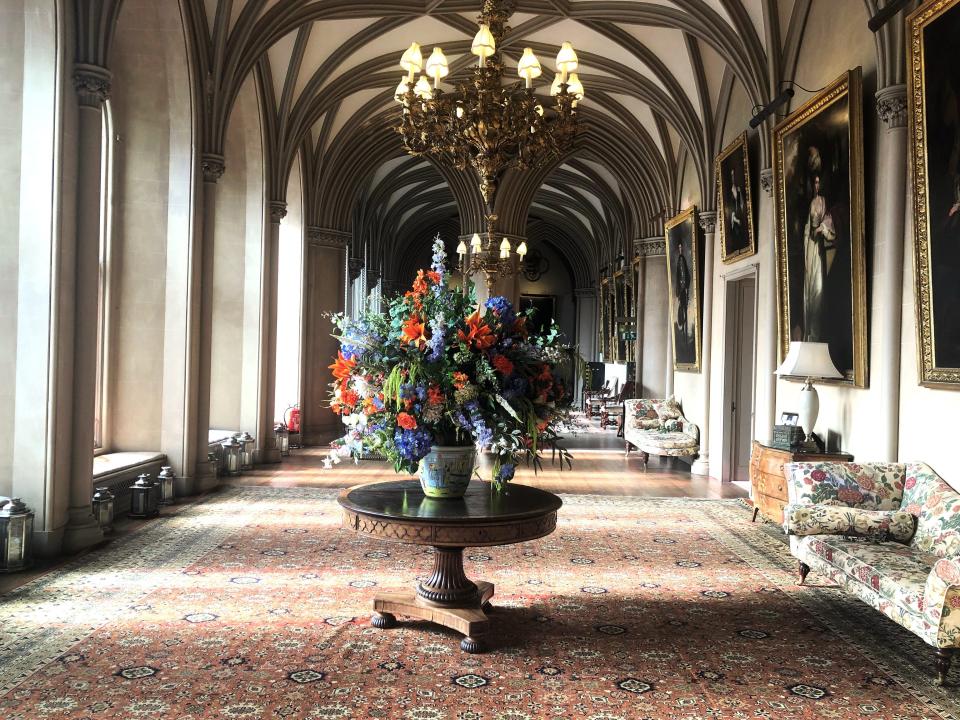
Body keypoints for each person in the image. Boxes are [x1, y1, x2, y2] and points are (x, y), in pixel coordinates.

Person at [802, 158, 837, 342]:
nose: (816, 185)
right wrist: (809, 236)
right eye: (814, 182)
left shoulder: (822, 201)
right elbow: (807, 225)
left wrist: (821, 228)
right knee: (809, 286)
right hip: (810, 246)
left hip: (818, 249)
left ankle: (816, 330)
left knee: (818, 285)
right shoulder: (811, 203)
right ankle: (810, 330)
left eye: (818, 182)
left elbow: (828, 221)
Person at [727, 166, 746, 248]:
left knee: (740, 234)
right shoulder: (732, 198)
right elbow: (732, 214)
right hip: (735, 220)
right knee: (736, 235)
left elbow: (742, 204)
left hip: (738, 217)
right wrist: (734, 220)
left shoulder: (738, 194)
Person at [675, 238, 690, 339]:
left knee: (684, 307)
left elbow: (685, 274)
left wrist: (685, 287)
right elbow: (680, 275)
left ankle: (685, 328)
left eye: (681, 247)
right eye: (679, 248)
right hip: (682, 289)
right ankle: (683, 326)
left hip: (683, 289)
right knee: (683, 307)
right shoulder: (680, 260)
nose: (680, 249)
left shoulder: (682, 259)